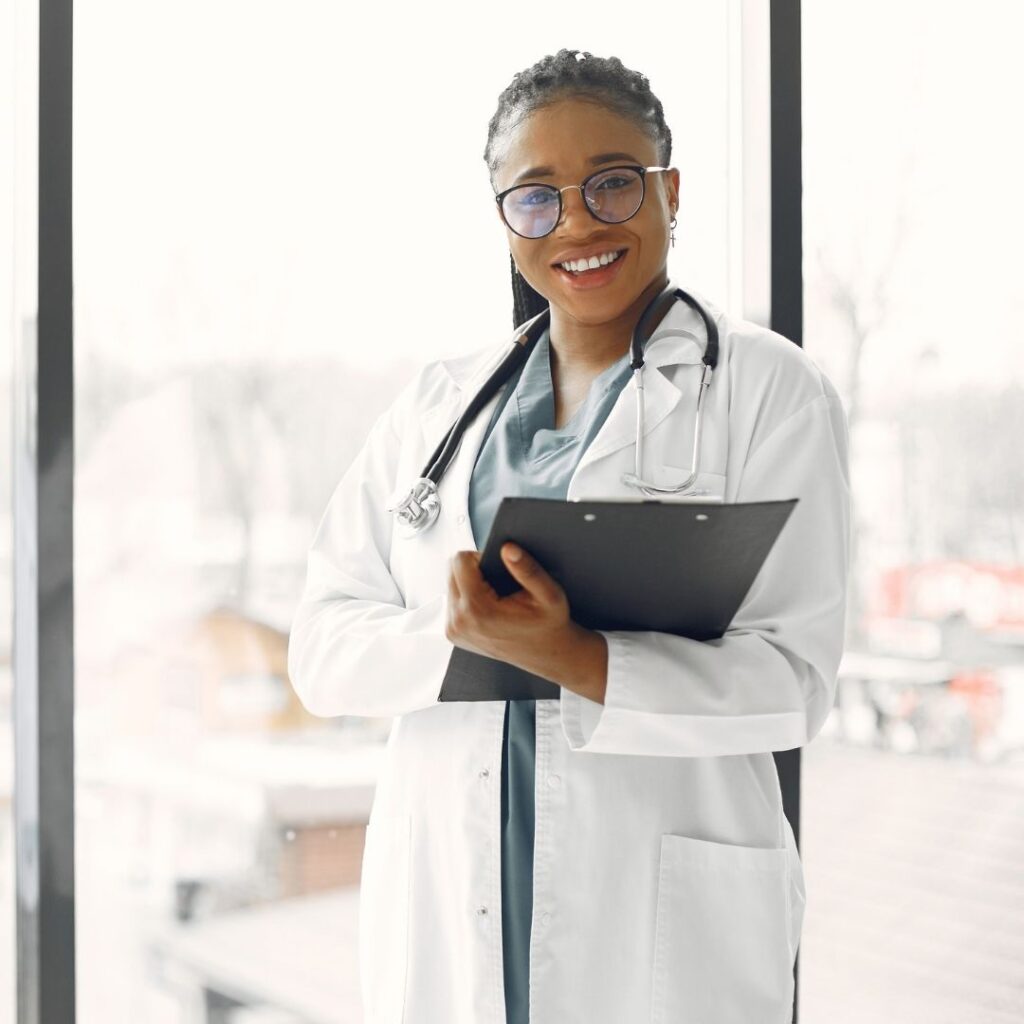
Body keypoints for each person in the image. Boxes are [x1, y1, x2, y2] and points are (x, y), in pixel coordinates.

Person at [287, 48, 850, 1024]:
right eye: (536, 196)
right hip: (451, 900)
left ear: (669, 190)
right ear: (506, 219)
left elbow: (793, 683)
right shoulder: (436, 406)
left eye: (613, 183)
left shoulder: (767, 391)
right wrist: (469, 643)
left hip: (658, 920)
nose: (578, 221)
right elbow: (322, 651)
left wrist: (581, 658)